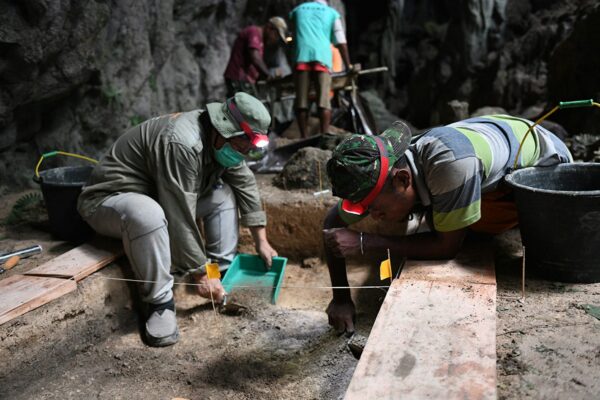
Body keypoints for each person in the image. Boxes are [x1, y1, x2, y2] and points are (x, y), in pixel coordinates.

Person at [322, 115, 573, 335]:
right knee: (443, 217)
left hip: (546, 163)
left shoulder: (449, 167)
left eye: (377, 208)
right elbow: (331, 223)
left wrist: (366, 241)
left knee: (467, 228)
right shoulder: (383, 170)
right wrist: (341, 298)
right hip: (497, 135)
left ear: (402, 179)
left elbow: (446, 248)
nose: (374, 216)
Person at [77, 92, 278, 347]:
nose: (244, 152)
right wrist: (200, 273)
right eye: (242, 146)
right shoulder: (182, 142)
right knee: (149, 215)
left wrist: (261, 239)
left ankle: (220, 274)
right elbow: (179, 215)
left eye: (250, 148)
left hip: (161, 195)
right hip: (111, 201)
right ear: (223, 130)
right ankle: (160, 303)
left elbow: (245, 181)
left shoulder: (226, 142)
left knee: (222, 194)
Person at [289, 0, 352, 138]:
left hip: (301, 57)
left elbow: (292, 37)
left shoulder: (297, 11)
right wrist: (348, 66)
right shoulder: (331, 13)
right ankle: (324, 134)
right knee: (323, 100)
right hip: (322, 58)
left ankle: (304, 136)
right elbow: (341, 41)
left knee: (301, 101)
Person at [223, 17, 289, 97]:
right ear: (270, 28)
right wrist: (268, 76)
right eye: (276, 35)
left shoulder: (261, 40)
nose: (276, 39)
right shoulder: (253, 32)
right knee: (244, 107)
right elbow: (255, 57)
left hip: (245, 80)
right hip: (238, 77)